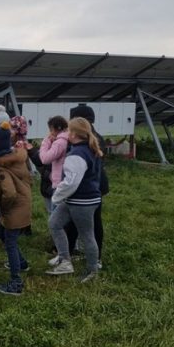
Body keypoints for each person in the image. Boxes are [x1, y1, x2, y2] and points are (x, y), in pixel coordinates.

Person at [46, 117, 103, 283]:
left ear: (74, 134)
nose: (66, 133)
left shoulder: (77, 155)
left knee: (86, 235)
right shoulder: (88, 148)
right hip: (77, 199)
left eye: (68, 130)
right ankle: (65, 260)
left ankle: (92, 271)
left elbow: (71, 183)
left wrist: (56, 196)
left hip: (81, 202)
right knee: (54, 223)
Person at [0, 121, 32, 296]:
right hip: (25, 204)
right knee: (2, 232)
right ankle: (22, 264)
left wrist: (2, 211)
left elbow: (9, 194)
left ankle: (16, 282)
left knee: (10, 243)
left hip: (14, 209)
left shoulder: (2, 168)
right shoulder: (18, 157)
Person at [69, 104, 110, 268]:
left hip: (88, 188)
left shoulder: (86, 139)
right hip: (97, 186)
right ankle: (89, 254)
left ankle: (93, 258)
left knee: (89, 223)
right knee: (91, 222)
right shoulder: (96, 136)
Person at [38, 115, 69, 215]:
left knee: (55, 217)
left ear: (53, 128)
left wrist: (46, 141)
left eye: (50, 129)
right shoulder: (68, 139)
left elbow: (44, 159)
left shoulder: (60, 142)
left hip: (59, 183)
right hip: (65, 180)